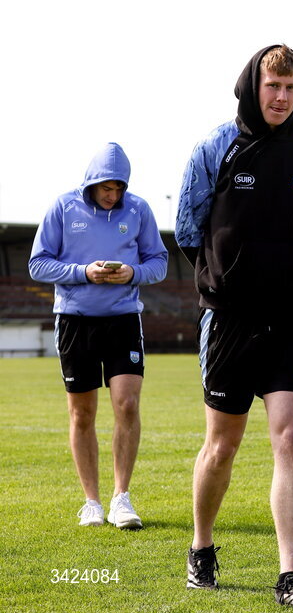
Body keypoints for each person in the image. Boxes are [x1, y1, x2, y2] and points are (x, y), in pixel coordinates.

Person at [175, 44, 293, 610]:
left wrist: (281, 275)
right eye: (273, 86)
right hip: (229, 317)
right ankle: (201, 547)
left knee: (290, 438)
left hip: (289, 313)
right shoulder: (217, 146)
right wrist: (226, 278)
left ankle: (289, 576)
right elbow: (188, 225)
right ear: (253, 85)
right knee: (223, 444)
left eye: (291, 88)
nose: (282, 97)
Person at [29, 143, 168, 529]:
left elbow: (158, 261)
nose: (114, 195)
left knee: (126, 404)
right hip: (75, 322)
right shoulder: (62, 207)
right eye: (107, 188)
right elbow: (38, 263)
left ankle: (122, 497)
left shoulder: (138, 210)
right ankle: (91, 502)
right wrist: (83, 272)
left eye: (119, 188)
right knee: (82, 412)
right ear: (91, 183)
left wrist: (133, 273)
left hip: (123, 319)